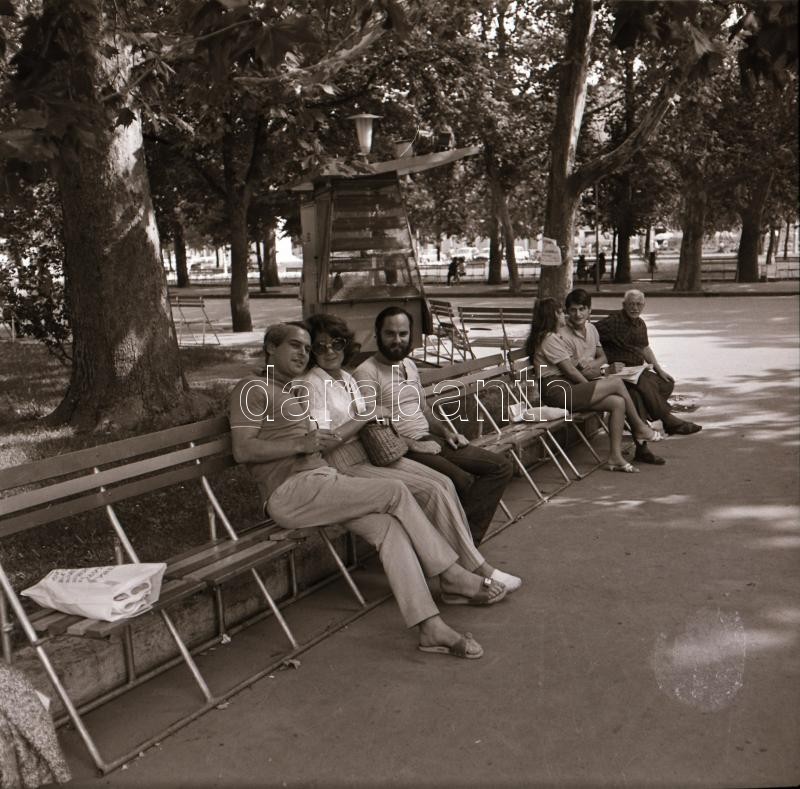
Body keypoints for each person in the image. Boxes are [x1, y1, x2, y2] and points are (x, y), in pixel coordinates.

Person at [229, 322, 508, 661]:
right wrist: (301, 444)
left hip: (323, 481)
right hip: (291, 490)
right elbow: (243, 450)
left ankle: (430, 626)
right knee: (395, 491)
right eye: (295, 345)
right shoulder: (251, 388)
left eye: (306, 347)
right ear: (271, 348)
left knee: (390, 528)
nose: (303, 353)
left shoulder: (292, 389)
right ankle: (450, 574)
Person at [303, 313, 520, 592]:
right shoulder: (313, 384)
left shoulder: (345, 378)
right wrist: (367, 418)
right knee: (433, 488)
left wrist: (439, 432)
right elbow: (324, 442)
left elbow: (397, 414)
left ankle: (460, 569)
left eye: (336, 343)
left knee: (442, 483)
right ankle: (472, 570)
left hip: (371, 453)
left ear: (346, 344)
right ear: (311, 350)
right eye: (320, 346)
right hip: (344, 463)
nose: (330, 351)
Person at [354, 307, 514, 544]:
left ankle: (460, 543)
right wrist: (414, 445)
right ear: (377, 335)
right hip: (400, 449)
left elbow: (425, 409)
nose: (397, 340)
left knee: (501, 467)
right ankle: (461, 545)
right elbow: (372, 428)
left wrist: (447, 432)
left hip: (430, 440)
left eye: (403, 333)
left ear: (410, 335)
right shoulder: (366, 372)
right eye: (390, 333)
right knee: (462, 481)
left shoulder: (408, 365)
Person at [524, 295, 664, 473]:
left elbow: (576, 367)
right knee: (616, 383)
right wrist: (589, 387)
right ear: (552, 316)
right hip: (557, 392)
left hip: (567, 388)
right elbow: (571, 371)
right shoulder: (549, 339)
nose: (564, 315)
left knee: (617, 403)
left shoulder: (553, 337)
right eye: (560, 312)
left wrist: (592, 385)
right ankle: (639, 427)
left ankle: (615, 457)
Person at [596, 289, 702, 437]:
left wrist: (659, 370)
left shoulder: (640, 323)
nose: (635, 308)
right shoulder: (613, 322)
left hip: (637, 371)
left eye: (639, 304)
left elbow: (644, 348)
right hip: (619, 373)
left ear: (644, 305)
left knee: (666, 383)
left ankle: (642, 424)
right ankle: (668, 421)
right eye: (631, 304)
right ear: (624, 305)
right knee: (640, 389)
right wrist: (602, 358)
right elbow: (591, 333)